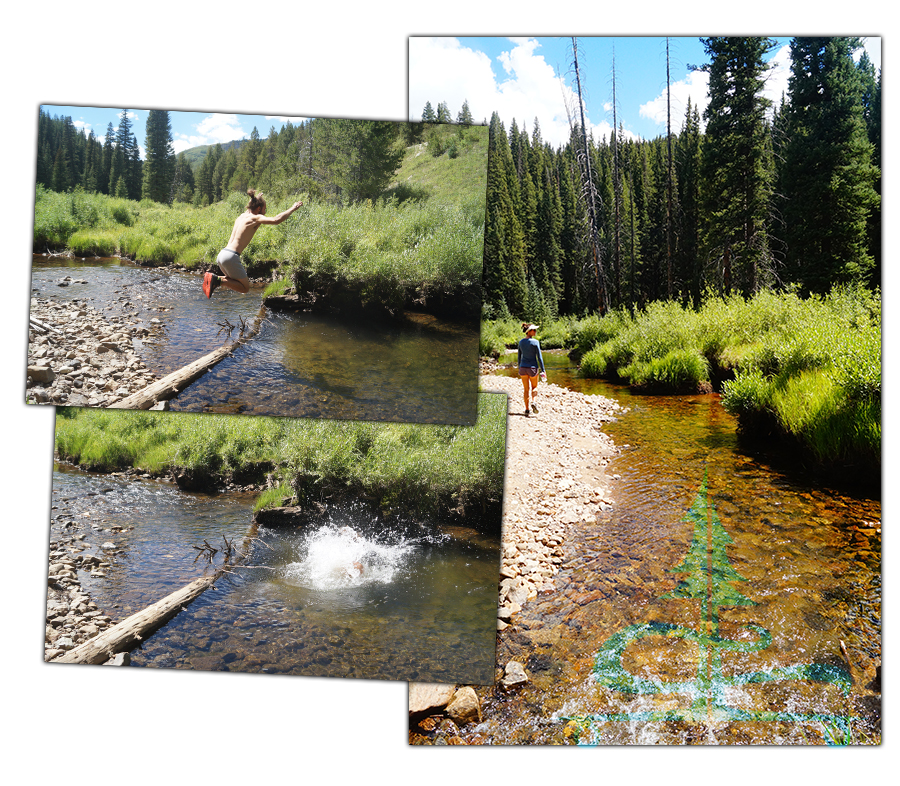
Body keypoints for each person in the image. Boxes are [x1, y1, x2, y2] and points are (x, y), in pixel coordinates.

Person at [203, 188, 304, 297]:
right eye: (265, 209)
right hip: (231, 257)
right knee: (245, 288)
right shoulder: (255, 218)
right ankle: (217, 280)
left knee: (235, 281)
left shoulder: (242, 216)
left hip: (222, 255)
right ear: (259, 208)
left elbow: (250, 207)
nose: (265, 212)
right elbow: (276, 220)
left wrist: (256, 199)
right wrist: (293, 208)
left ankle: (213, 278)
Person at [517, 322, 546, 416]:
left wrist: (519, 367)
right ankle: (534, 402)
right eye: (534, 330)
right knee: (534, 387)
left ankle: (526, 409)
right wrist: (543, 370)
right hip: (532, 368)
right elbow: (540, 358)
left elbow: (519, 357)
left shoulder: (521, 342)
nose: (535, 331)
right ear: (529, 331)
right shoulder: (535, 342)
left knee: (526, 389)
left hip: (522, 368)